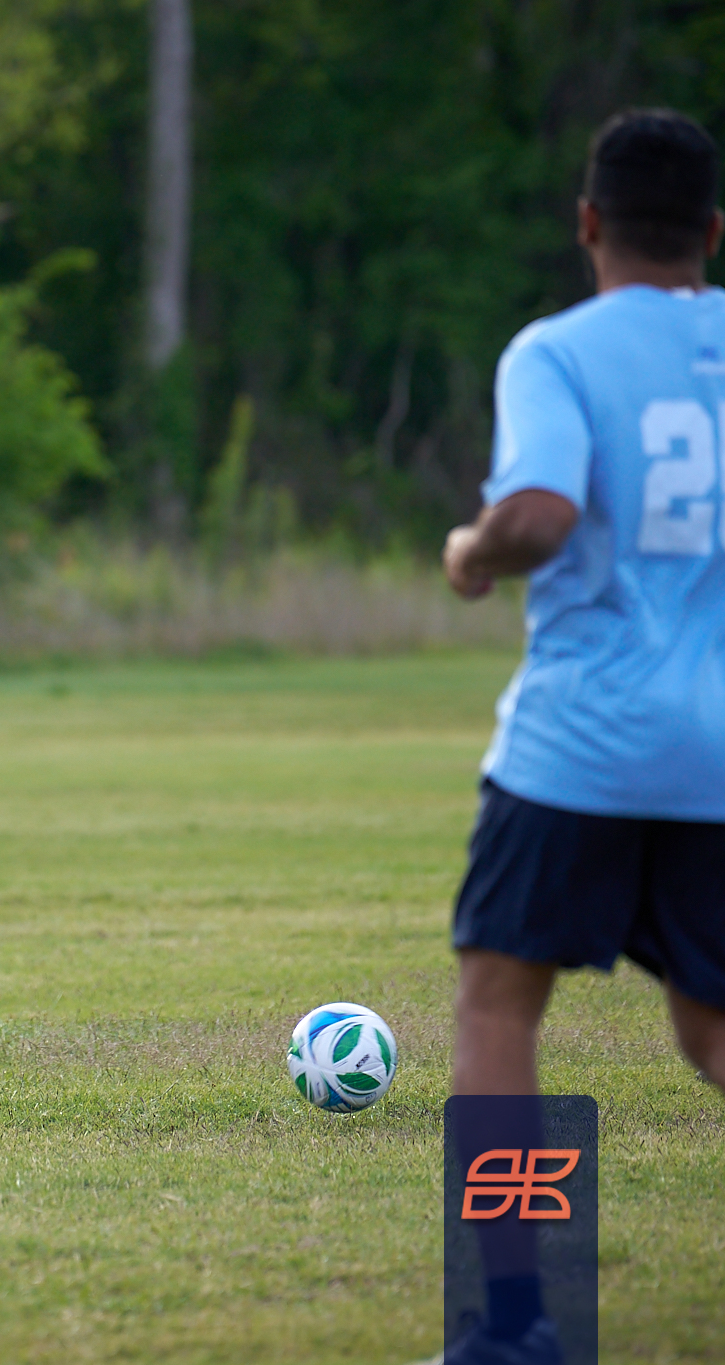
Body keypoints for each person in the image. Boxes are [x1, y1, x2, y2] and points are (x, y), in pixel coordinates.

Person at [431, 109, 725, 1365]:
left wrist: (470, 549)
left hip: (581, 744)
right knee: (710, 1030)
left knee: (500, 1006)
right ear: (711, 231)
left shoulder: (552, 351)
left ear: (588, 221)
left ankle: (515, 1323)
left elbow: (541, 511)